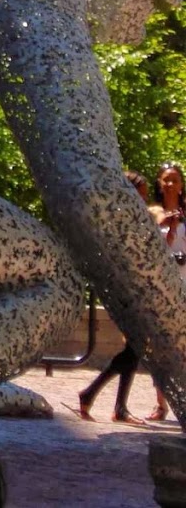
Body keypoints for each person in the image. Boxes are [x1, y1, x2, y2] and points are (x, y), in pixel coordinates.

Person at [76, 171, 151, 423]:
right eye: (140, 196)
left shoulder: (121, 218)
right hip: (127, 291)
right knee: (135, 347)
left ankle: (104, 400)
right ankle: (101, 399)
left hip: (131, 289)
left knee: (134, 348)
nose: (143, 201)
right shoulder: (119, 221)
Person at [146, 162, 186, 423]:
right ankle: (161, 403)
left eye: (174, 180)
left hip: (184, 280)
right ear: (159, 183)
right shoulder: (152, 212)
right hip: (159, 285)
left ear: (182, 185)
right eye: (165, 180)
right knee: (160, 347)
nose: (170, 184)